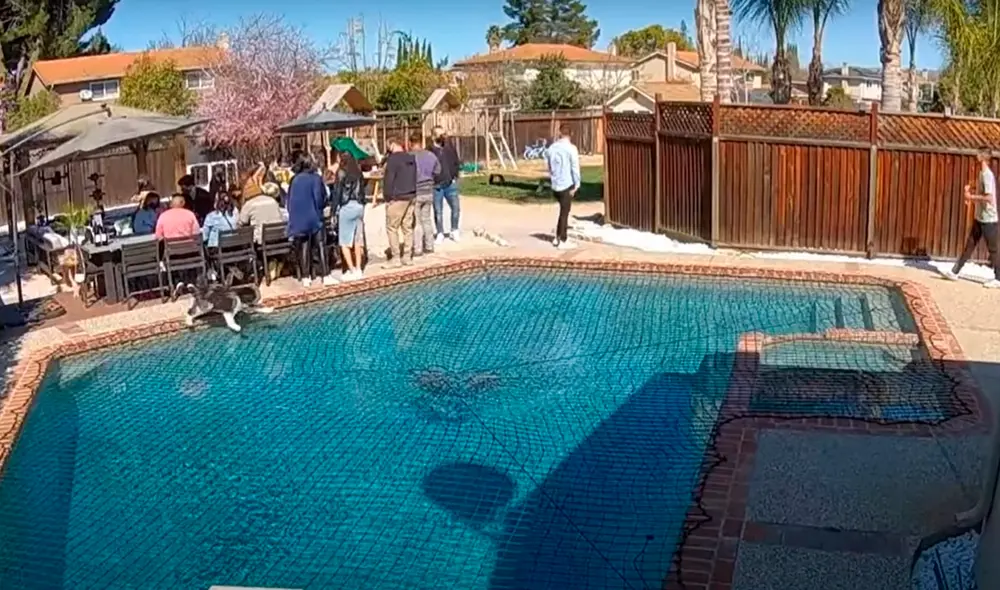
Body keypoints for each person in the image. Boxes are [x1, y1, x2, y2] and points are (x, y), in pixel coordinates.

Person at [943, 146, 1000, 288]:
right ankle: (955, 272)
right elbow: (983, 190)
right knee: (970, 245)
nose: (975, 156)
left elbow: (989, 197)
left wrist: (971, 197)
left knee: (993, 250)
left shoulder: (987, 175)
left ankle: (998, 279)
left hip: (989, 219)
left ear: (983, 157)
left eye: (978, 154)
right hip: (980, 217)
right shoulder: (982, 173)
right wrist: (971, 188)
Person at [286, 152, 333, 286]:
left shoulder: (294, 180)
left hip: (299, 218)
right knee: (321, 245)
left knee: (304, 246)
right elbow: (319, 199)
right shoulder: (315, 178)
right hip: (314, 216)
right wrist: (322, 205)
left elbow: (289, 201)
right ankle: (325, 274)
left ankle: (306, 277)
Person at [332, 150, 367, 280]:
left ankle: (351, 270)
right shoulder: (358, 172)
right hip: (359, 206)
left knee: (344, 242)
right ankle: (358, 269)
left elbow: (337, 193)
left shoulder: (341, 172)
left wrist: (333, 211)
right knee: (357, 240)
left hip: (347, 206)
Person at [382, 137, 417, 267]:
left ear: (392, 144)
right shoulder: (411, 158)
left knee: (392, 227)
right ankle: (407, 256)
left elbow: (389, 180)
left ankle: (396, 258)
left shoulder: (393, 160)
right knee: (407, 228)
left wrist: (387, 198)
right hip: (411, 195)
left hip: (397, 197)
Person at [545, 124, 581, 250]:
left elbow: (549, 167)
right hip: (566, 184)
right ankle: (563, 240)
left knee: (562, 211)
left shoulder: (551, 148)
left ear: (560, 133)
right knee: (565, 212)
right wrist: (577, 184)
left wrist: (553, 178)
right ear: (571, 134)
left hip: (555, 184)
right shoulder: (571, 149)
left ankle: (557, 237)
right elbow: (575, 168)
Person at [410, 132, 441, 256]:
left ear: (411, 143)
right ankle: (429, 245)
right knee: (427, 219)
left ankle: (417, 248)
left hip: (416, 191)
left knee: (416, 221)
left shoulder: (410, 156)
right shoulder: (431, 155)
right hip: (428, 190)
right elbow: (438, 171)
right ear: (421, 142)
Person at [431, 126, 461, 243]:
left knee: (456, 208)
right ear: (434, 136)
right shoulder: (429, 151)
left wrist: (455, 176)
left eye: (444, 134)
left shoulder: (449, 148)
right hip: (436, 185)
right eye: (440, 134)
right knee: (438, 211)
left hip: (450, 183)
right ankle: (440, 233)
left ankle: (454, 230)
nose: (444, 136)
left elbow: (456, 162)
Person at [239, 179, 286, 244]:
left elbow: (242, 222)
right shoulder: (273, 201)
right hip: (277, 237)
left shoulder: (249, 203)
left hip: (261, 241)